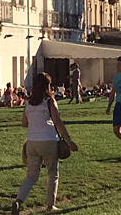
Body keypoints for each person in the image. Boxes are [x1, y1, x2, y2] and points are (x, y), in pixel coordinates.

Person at [12, 72, 78, 214]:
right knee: (52, 173)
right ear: (47, 86)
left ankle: (18, 200)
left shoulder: (28, 102)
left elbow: (24, 123)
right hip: (48, 140)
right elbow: (58, 122)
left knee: (31, 176)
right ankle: (50, 205)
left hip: (32, 142)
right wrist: (68, 140)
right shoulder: (49, 101)